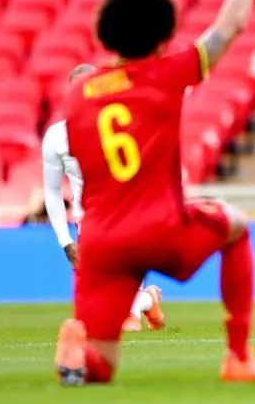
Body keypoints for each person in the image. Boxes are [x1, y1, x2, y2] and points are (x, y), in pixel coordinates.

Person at [53, 0, 255, 385]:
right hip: (159, 227)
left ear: (104, 34)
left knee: (102, 369)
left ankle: (80, 352)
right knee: (234, 225)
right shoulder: (166, 73)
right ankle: (237, 357)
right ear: (164, 35)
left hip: (100, 242)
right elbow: (230, 26)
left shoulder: (79, 92)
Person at [43, 64, 165, 334]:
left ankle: (131, 314)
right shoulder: (56, 137)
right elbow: (51, 191)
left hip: (130, 209)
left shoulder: (123, 124)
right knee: (94, 304)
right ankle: (146, 300)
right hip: (89, 219)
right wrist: (65, 242)